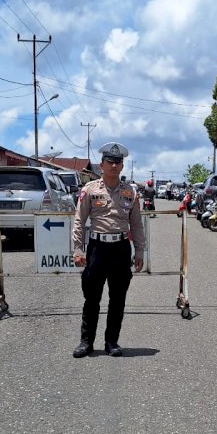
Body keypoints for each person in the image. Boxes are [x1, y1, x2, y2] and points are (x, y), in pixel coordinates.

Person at [72, 141, 144, 358]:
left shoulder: (130, 192)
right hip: (97, 249)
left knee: (118, 298)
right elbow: (79, 220)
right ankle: (86, 342)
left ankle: (112, 342)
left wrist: (139, 251)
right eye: (109, 162)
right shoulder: (90, 189)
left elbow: (137, 224)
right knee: (92, 298)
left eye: (118, 162)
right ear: (101, 165)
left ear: (122, 166)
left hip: (121, 249)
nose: (114, 166)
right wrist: (77, 249)